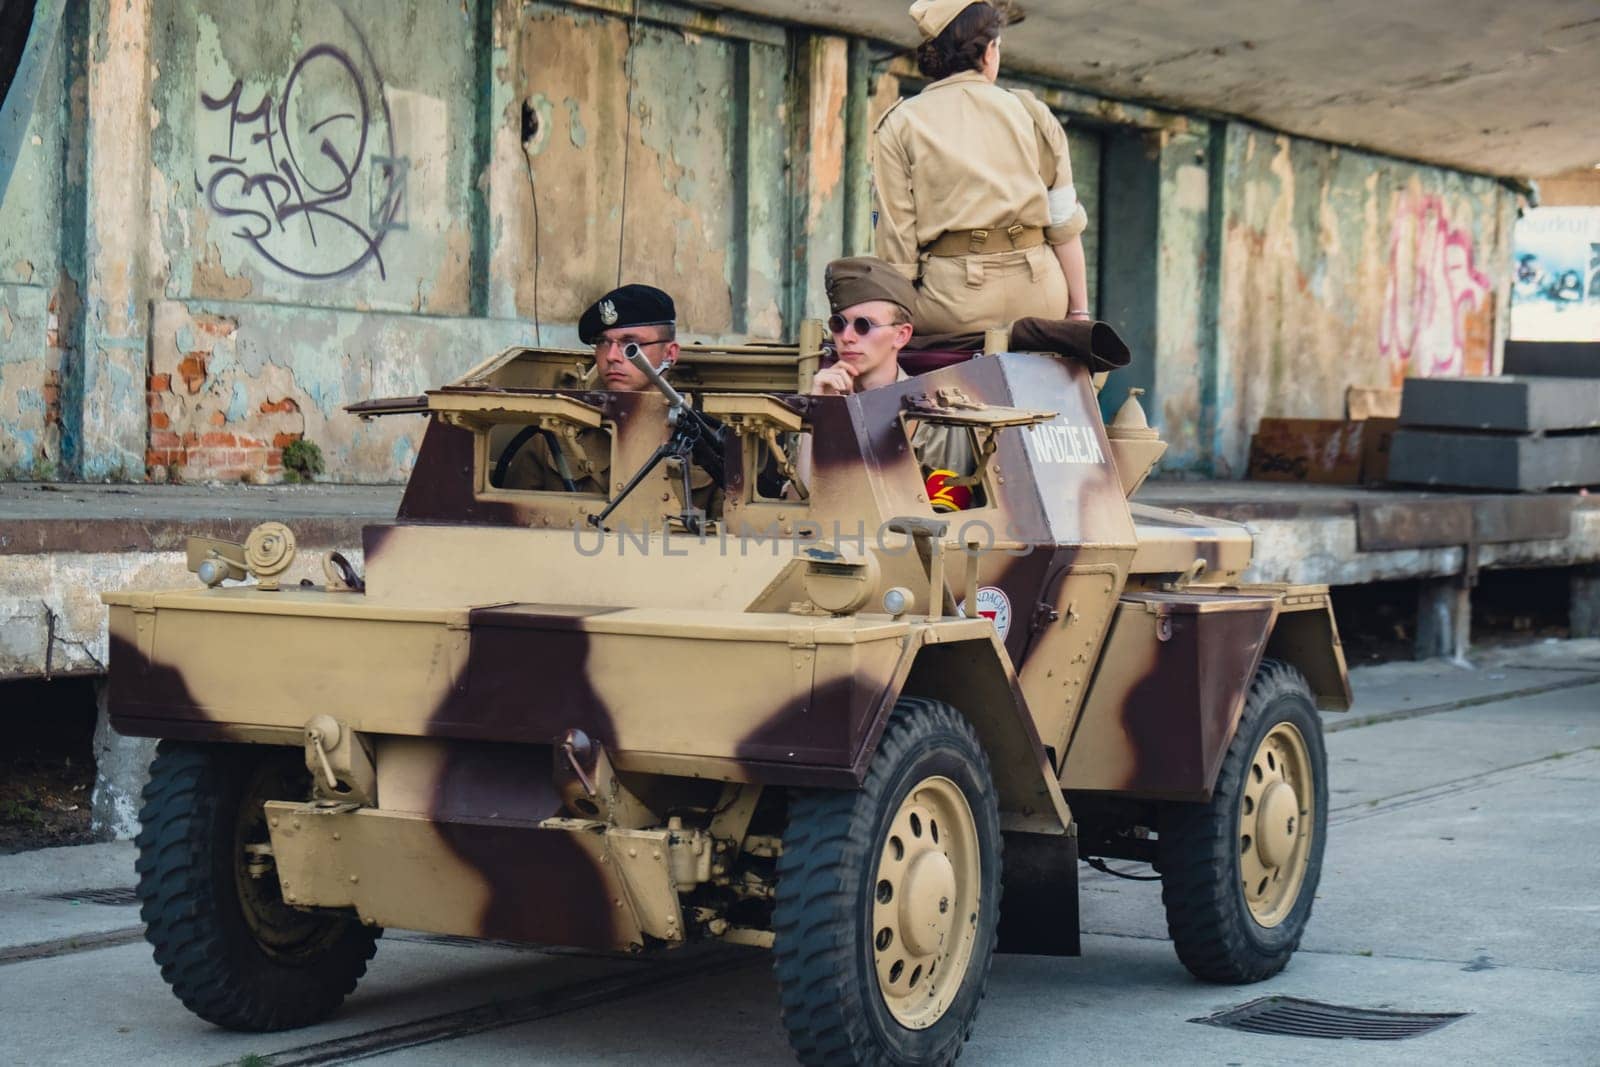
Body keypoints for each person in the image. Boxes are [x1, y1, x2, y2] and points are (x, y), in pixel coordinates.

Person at [873, 0, 1092, 335]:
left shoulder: (899, 123)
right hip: (1040, 300)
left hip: (952, 306)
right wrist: (1078, 313)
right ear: (989, 52)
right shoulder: (1031, 112)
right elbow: (1063, 222)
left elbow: (896, 246)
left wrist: (892, 328)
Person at [498, 284, 717, 513]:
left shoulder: (710, 439)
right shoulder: (553, 437)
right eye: (603, 342)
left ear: (670, 354)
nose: (612, 356)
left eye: (630, 344)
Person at [794, 257, 977, 509]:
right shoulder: (819, 399)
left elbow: (942, 524)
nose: (847, 338)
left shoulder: (938, 417)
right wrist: (819, 413)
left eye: (863, 325)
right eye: (838, 324)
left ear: (901, 335)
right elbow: (798, 503)